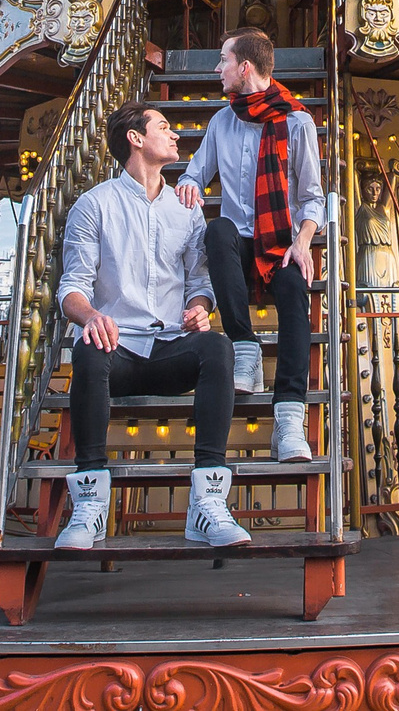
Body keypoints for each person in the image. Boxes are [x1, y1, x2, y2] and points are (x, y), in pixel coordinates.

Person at [55, 102, 250, 550]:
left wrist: (200, 307)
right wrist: (92, 316)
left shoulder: (186, 209)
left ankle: (208, 502)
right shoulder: (94, 204)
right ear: (136, 138)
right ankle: (88, 503)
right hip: (116, 349)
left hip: (169, 347)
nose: (176, 134)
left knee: (218, 348)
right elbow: (72, 289)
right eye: (164, 126)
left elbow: (200, 283)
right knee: (87, 348)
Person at [176, 27, 322, 463]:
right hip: (237, 242)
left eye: (223, 60)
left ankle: (289, 419)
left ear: (244, 67)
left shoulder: (296, 122)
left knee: (296, 288)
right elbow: (194, 173)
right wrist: (187, 187)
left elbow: (313, 197)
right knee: (217, 230)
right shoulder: (222, 121)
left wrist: (303, 242)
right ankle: (245, 345)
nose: (216, 69)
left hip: (281, 241)